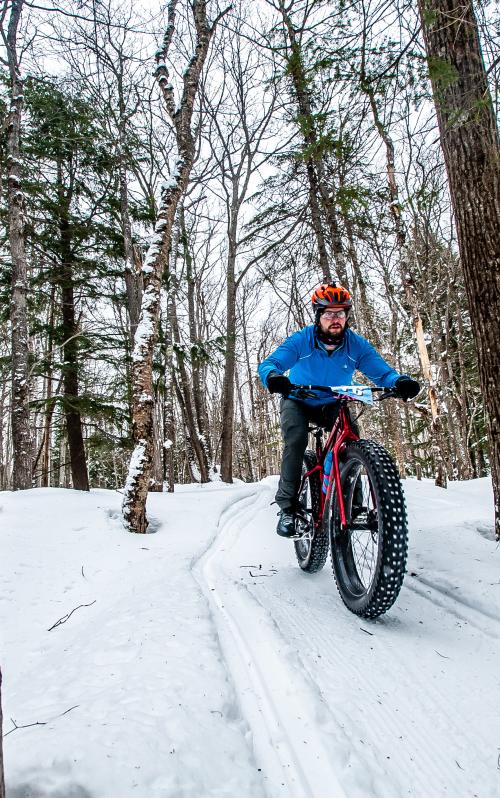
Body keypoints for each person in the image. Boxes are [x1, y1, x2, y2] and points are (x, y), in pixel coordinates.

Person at [258, 284, 420, 537]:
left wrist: (399, 382)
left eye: (341, 313)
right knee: (296, 439)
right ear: (318, 315)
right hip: (298, 399)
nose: (335, 319)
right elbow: (271, 363)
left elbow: (382, 371)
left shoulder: (355, 345)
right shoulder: (302, 340)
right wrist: (274, 377)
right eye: (329, 314)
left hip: (333, 401)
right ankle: (288, 508)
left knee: (350, 441)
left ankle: (353, 505)